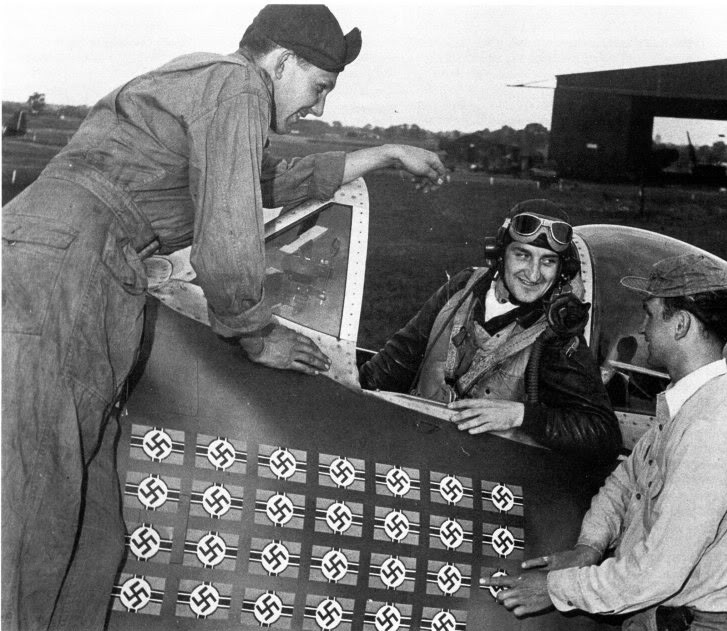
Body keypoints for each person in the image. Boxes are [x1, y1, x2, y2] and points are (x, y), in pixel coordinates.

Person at [1, 5, 446, 629]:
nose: (318, 108)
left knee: (90, 526)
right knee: (31, 512)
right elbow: (228, 242)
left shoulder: (210, 83)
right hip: (64, 272)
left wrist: (387, 152)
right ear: (282, 62)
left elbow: (269, 182)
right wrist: (255, 333)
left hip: (79, 268)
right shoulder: (238, 87)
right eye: (319, 88)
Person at [483, 253, 727, 631]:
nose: (642, 328)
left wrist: (554, 589)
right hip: (659, 616)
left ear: (681, 325)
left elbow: (654, 574)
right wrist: (588, 547)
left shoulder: (710, 430)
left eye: (650, 315)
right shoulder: (688, 406)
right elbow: (626, 483)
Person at [359, 200, 622, 464]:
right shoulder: (461, 289)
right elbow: (395, 362)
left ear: (561, 270)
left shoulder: (558, 333)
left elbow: (602, 433)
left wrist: (521, 416)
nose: (533, 273)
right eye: (522, 255)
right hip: (417, 451)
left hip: (485, 477)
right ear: (499, 253)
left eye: (548, 261)